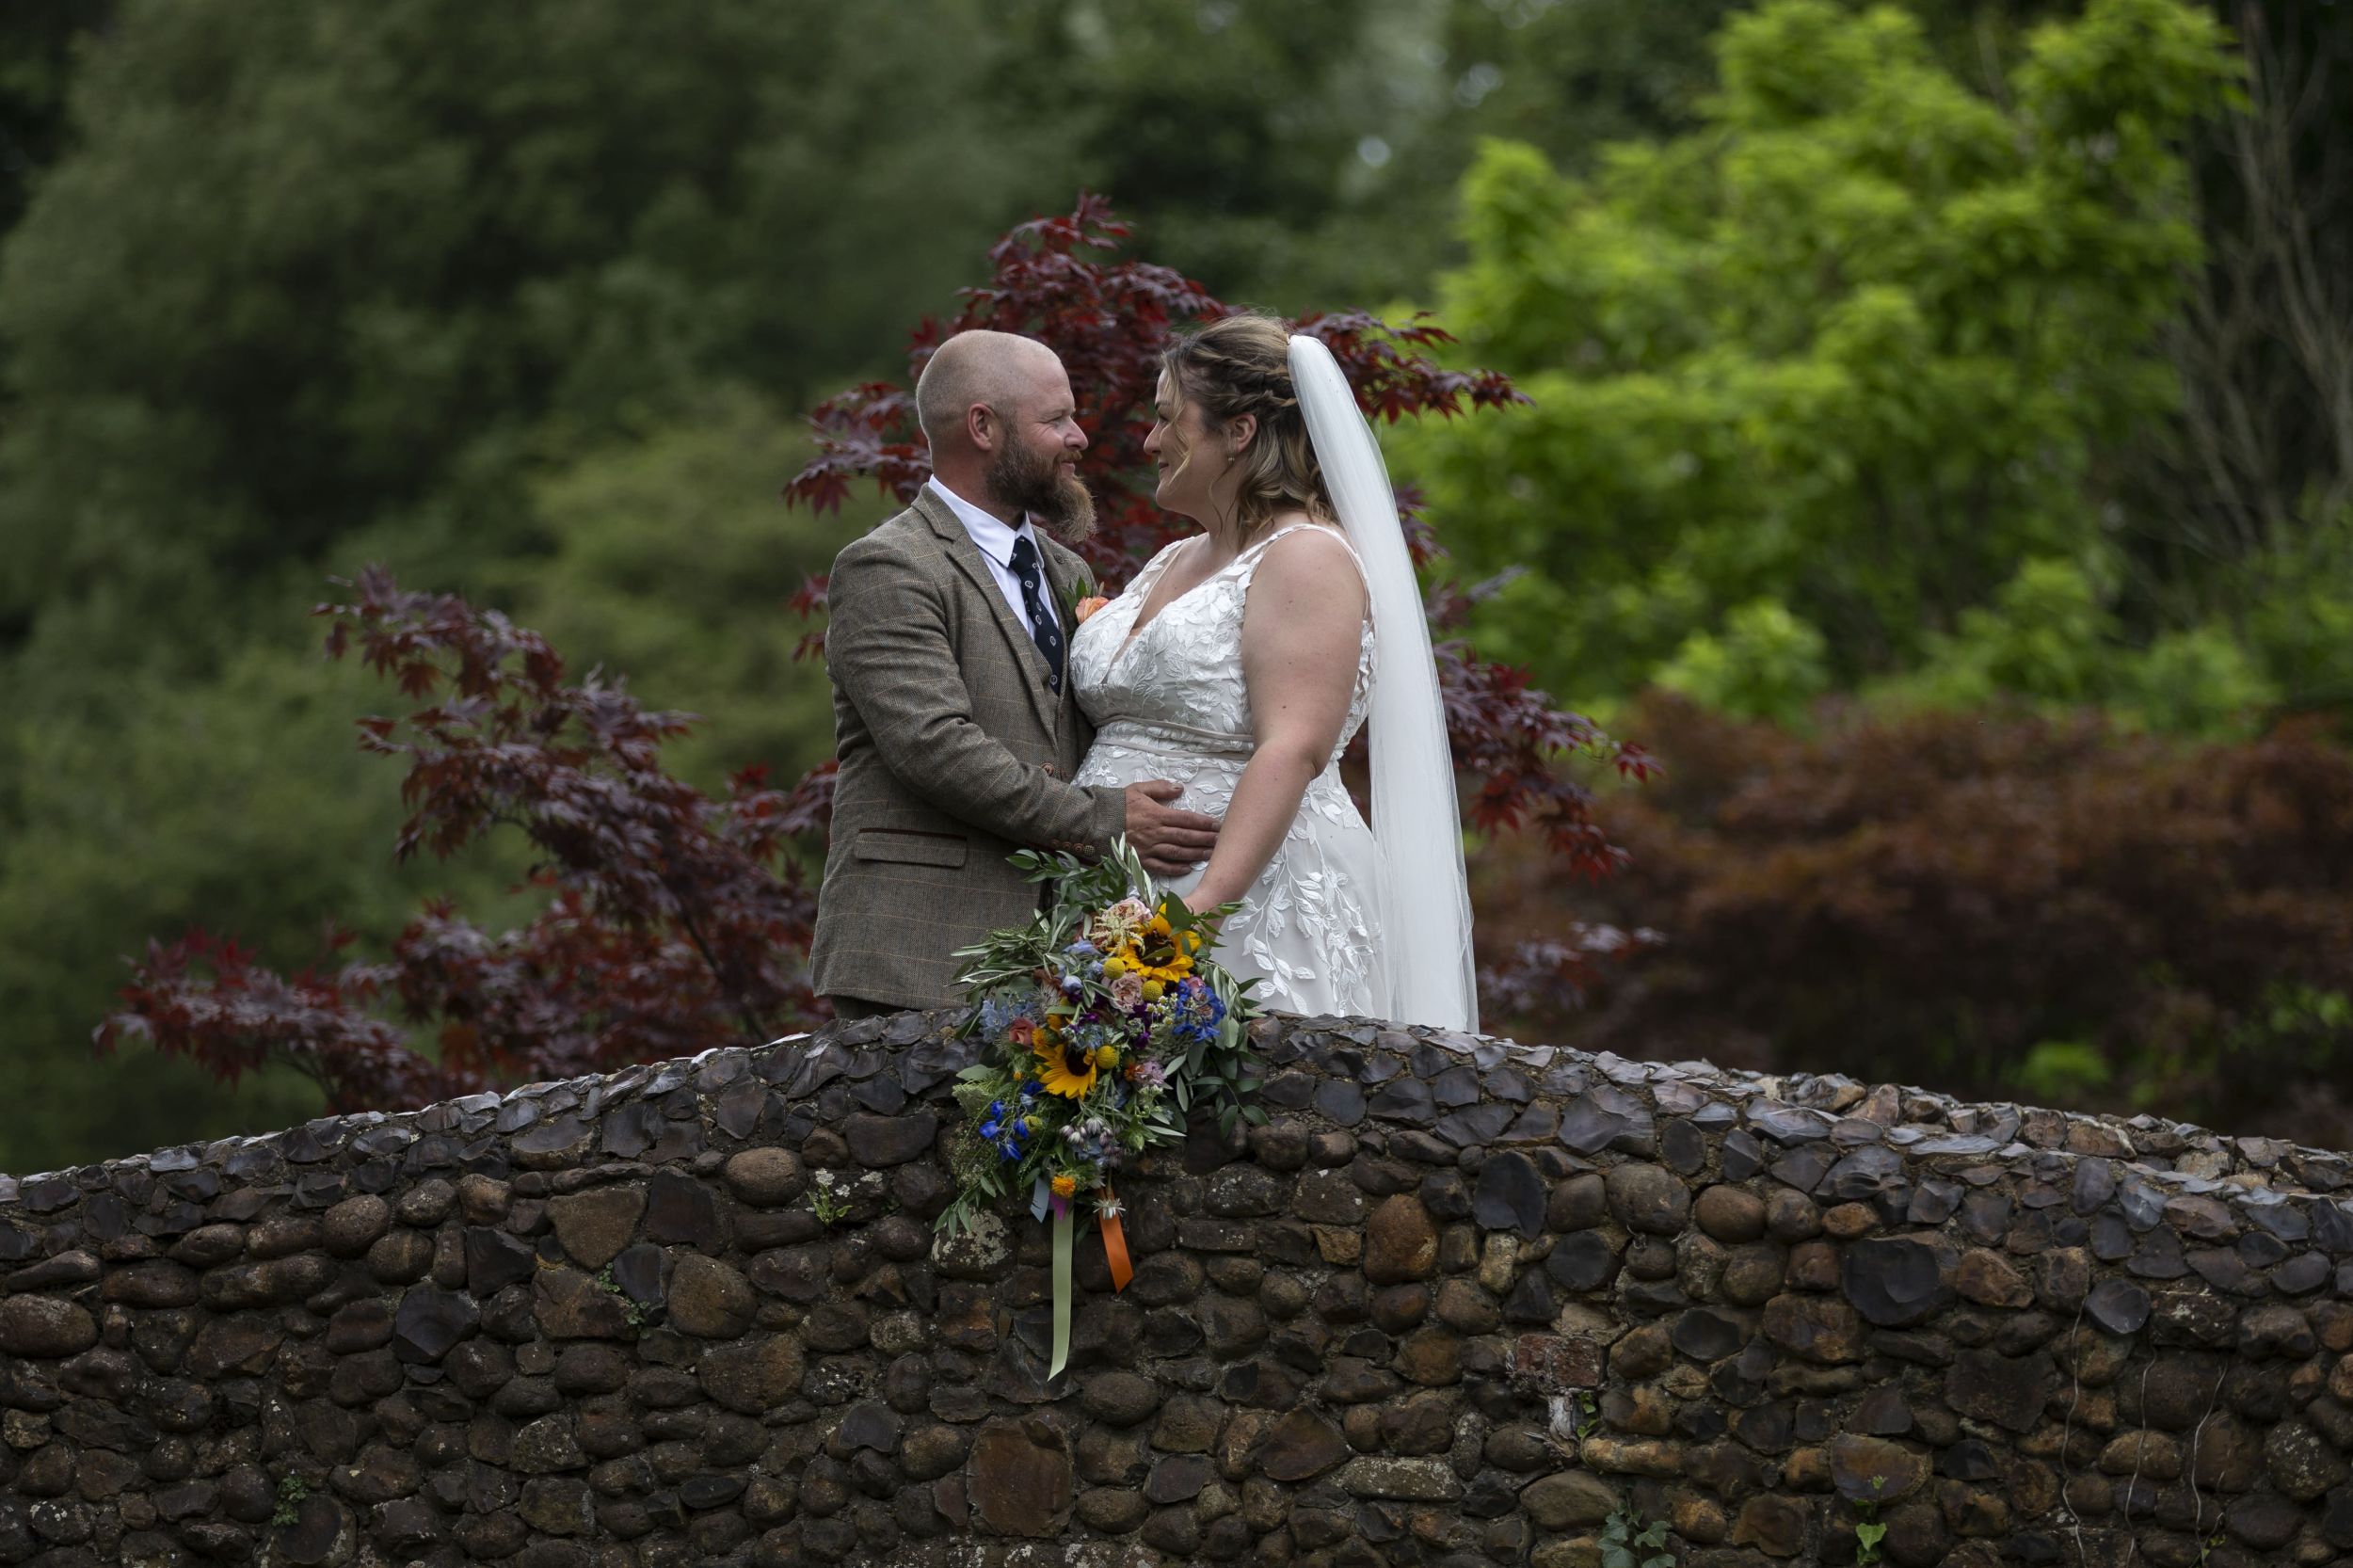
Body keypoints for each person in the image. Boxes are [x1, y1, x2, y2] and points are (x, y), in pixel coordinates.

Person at [1066, 313, 1479, 1030]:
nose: (1150, 441)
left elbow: (1293, 746)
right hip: (1111, 893)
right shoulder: (1171, 559)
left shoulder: (1305, 557)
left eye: (1168, 420)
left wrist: (1197, 911)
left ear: (1240, 431)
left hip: (1245, 900)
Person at [811, 329, 1219, 1019]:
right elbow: (934, 747)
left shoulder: (1068, 574)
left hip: (1061, 963)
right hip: (914, 954)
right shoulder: (889, 566)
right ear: (983, 427)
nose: (1080, 437)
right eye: (1056, 419)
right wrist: (1106, 822)